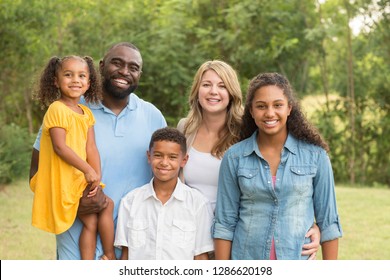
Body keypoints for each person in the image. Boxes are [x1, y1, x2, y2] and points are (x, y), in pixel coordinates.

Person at [29, 42, 167, 260]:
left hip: (133, 241)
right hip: (75, 235)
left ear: (140, 73)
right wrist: (73, 203)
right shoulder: (67, 110)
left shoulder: (153, 116)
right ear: (101, 67)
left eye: (133, 67)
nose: (124, 71)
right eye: (117, 63)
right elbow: (37, 170)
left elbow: (167, 178)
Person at [177, 60, 320, 259]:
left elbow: (282, 182)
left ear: (232, 93)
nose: (213, 91)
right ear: (197, 90)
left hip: (235, 236)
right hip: (189, 233)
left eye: (222, 85)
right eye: (206, 84)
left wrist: (311, 224)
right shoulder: (184, 129)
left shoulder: (246, 132)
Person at [212, 72, 343, 260]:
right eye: (261, 106)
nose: (270, 113)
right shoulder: (234, 158)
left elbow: (329, 223)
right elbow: (224, 223)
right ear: (251, 110)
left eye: (278, 105)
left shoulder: (316, 157)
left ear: (289, 108)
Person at [30, 55, 115, 260]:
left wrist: (97, 177)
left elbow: (91, 148)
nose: (75, 80)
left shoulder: (85, 113)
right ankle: (109, 255)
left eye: (81, 75)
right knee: (99, 213)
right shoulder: (57, 109)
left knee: (95, 218)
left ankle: (96, 261)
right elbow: (60, 147)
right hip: (65, 180)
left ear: (88, 83)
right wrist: (87, 170)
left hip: (81, 179)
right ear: (55, 80)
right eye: (68, 75)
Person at [114, 127, 214, 260]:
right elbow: (126, 255)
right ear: (149, 156)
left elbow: (201, 257)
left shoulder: (198, 203)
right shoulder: (130, 202)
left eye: (172, 157)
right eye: (158, 155)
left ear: (184, 160)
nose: (164, 162)